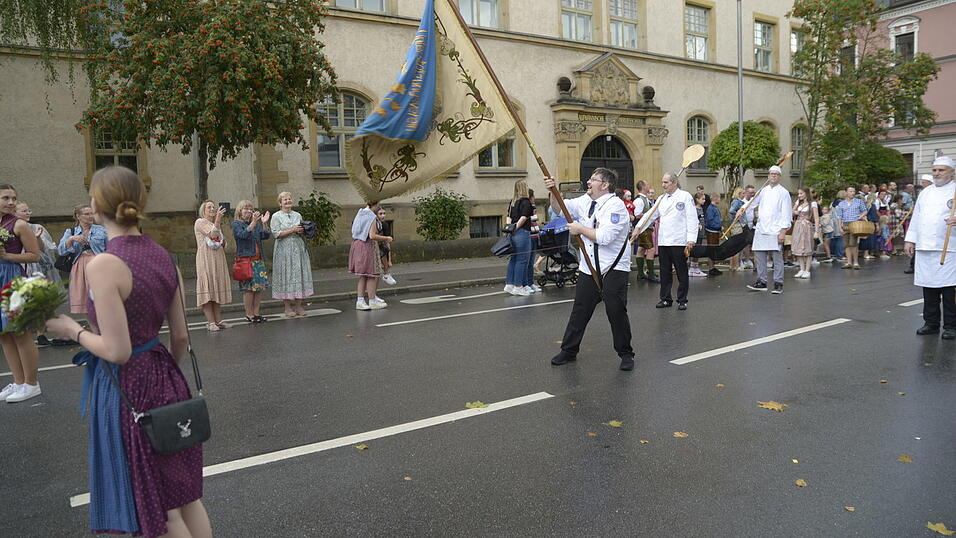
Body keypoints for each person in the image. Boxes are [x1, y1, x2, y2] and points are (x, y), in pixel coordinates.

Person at [45, 166, 211, 538]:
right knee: (185, 498)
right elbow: (182, 337)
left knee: (161, 512)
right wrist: (164, 373)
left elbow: (116, 351)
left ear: (96, 205)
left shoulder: (105, 264)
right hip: (167, 377)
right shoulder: (164, 256)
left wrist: (71, 330)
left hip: (128, 388)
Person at [545, 167, 635, 371]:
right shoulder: (586, 201)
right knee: (580, 311)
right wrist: (552, 191)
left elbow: (604, 237)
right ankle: (568, 350)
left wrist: (580, 229)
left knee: (616, 312)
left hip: (613, 268)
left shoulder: (616, 207)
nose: (588, 182)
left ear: (605, 185)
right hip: (589, 267)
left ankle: (626, 353)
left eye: (593, 179)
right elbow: (559, 209)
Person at [904, 156, 956, 340]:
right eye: (935, 170)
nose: (937, 173)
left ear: (951, 172)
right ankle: (931, 323)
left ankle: (951, 326)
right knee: (929, 288)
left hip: (949, 247)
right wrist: (910, 240)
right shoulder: (926, 192)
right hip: (926, 246)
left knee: (949, 290)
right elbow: (917, 217)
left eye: (941, 170)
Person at [0, 185, 42, 403]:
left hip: (12, 280)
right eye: (5, 198)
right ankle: (18, 382)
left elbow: (35, 255)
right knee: (4, 334)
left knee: (19, 332)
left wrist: (8, 256)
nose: (11, 202)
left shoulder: (19, 224)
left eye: (13, 198)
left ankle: (31, 383)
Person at [636, 172, 696, 310]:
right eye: (662, 182)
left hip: (679, 240)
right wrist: (638, 228)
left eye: (666, 182)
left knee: (681, 272)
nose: (663, 185)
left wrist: (691, 239)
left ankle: (682, 300)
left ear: (674, 183)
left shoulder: (685, 196)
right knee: (665, 271)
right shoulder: (661, 199)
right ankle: (665, 298)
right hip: (663, 241)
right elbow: (650, 215)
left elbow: (692, 218)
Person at [746, 166, 792, 294]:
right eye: (771, 174)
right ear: (768, 176)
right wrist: (742, 209)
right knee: (760, 257)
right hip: (761, 228)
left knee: (777, 258)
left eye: (776, 174)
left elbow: (786, 213)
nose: (773, 176)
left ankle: (778, 283)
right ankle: (762, 281)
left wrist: (783, 231)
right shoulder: (763, 191)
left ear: (780, 177)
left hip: (775, 230)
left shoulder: (784, 192)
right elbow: (752, 203)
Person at [58, 204, 108, 314]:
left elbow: (110, 249)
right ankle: (93, 328)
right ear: (78, 216)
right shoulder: (70, 232)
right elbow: (61, 251)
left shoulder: (102, 230)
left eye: (92, 213)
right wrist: (71, 239)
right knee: (84, 300)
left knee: (101, 298)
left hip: (98, 265)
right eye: (86, 214)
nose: (90, 216)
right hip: (79, 266)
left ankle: (102, 328)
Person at [271, 191, 313, 316]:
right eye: (285, 200)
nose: (288, 201)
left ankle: (299, 306)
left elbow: (301, 230)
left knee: (299, 275)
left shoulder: (298, 215)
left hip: (298, 248)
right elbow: (276, 234)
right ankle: (287, 307)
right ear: (280, 203)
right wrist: (292, 230)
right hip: (284, 250)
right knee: (286, 275)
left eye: (289, 199)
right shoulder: (276, 216)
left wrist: (302, 231)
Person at [194, 200, 232, 331]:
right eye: (208, 207)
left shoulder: (215, 223)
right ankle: (211, 322)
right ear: (203, 211)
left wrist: (223, 241)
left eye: (213, 207)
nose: (212, 209)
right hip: (206, 259)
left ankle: (218, 320)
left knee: (216, 290)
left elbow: (225, 243)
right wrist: (218, 219)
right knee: (208, 289)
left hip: (218, 259)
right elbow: (213, 234)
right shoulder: (200, 222)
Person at [231, 200, 271, 323]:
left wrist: (264, 223)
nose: (249, 211)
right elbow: (242, 235)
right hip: (245, 261)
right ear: (240, 211)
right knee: (248, 290)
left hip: (258, 261)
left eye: (250, 208)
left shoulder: (256, 224)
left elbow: (265, 235)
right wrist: (254, 222)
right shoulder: (236, 224)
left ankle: (256, 313)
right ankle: (249, 314)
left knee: (258, 289)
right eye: (245, 209)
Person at [349, 201, 391, 310]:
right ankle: (372, 300)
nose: (379, 207)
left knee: (363, 275)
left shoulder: (360, 213)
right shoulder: (371, 216)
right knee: (372, 274)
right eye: (378, 205)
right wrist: (387, 238)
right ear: (374, 205)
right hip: (367, 246)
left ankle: (360, 300)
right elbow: (372, 235)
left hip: (357, 245)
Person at [15, 202, 60, 284]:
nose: (28, 213)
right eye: (24, 211)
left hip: (37, 267)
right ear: (14, 213)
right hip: (17, 266)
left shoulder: (36, 227)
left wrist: (37, 238)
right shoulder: (9, 228)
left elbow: (44, 250)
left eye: (29, 211)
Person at [504, 180, 533, 296]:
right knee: (522, 260)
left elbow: (508, 217)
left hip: (512, 233)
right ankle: (518, 286)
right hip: (522, 232)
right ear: (524, 188)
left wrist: (509, 230)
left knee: (513, 259)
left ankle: (509, 284)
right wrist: (516, 227)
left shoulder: (513, 202)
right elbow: (524, 217)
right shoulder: (526, 202)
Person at [835, 187, 868, 269]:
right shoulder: (841, 204)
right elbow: (839, 216)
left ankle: (856, 262)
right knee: (846, 244)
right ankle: (849, 262)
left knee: (853, 243)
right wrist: (840, 227)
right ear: (846, 192)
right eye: (851, 191)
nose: (853, 193)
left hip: (855, 223)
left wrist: (860, 217)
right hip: (845, 223)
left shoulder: (858, 201)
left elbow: (865, 210)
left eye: (854, 191)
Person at [632, 181, 659, 282]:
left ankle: (640, 274)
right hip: (643, 228)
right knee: (651, 250)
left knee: (641, 249)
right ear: (643, 187)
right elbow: (636, 214)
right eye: (647, 185)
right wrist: (648, 216)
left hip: (645, 228)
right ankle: (650, 274)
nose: (649, 186)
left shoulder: (644, 199)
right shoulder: (639, 200)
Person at [791, 187, 820, 279]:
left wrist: (817, 231)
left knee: (808, 247)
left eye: (801, 194)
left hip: (807, 226)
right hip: (798, 225)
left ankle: (807, 270)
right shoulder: (798, 203)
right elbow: (792, 211)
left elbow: (816, 218)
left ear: (806, 194)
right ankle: (801, 269)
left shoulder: (813, 203)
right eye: (798, 194)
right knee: (798, 247)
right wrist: (795, 212)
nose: (799, 195)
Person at [376, 206, 397, 286]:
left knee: (384, 250)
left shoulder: (384, 224)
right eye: (380, 214)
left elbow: (388, 242)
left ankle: (386, 274)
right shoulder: (374, 224)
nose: (383, 216)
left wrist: (389, 260)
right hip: (374, 246)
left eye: (384, 213)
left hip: (382, 246)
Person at [526, 188, 542, 293]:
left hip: (535, 235)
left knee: (531, 260)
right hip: (531, 236)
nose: (534, 199)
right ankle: (528, 283)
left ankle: (530, 283)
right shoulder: (527, 208)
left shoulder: (533, 207)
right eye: (533, 197)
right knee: (528, 261)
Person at [703, 193, 722, 276]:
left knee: (714, 250)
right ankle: (711, 268)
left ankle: (713, 267)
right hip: (711, 231)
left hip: (715, 231)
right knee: (711, 249)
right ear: (715, 198)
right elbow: (710, 221)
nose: (720, 200)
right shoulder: (711, 208)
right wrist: (718, 226)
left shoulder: (715, 208)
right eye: (719, 198)